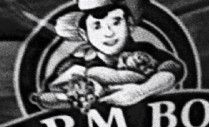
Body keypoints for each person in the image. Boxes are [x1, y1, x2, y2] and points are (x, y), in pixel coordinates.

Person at [33, 0, 185, 111]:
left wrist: (141, 91)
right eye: (97, 26)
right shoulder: (75, 63)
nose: (109, 33)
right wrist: (78, 92)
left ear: (130, 24)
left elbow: (173, 69)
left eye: (116, 22)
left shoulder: (145, 51)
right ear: (83, 34)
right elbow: (48, 96)